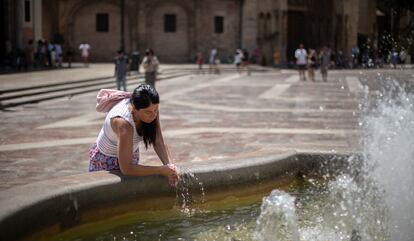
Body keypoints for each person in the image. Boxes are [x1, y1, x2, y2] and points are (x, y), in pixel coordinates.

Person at [89, 84, 179, 185]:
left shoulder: (150, 109)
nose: (153, 115)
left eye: (156, 110)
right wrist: (160, 170)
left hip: (129, 153)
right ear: (134, 109)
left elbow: (158, 141)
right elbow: (126, 168)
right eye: (148, 112)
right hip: (106, 159)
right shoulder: (123, 123)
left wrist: (170, 167)